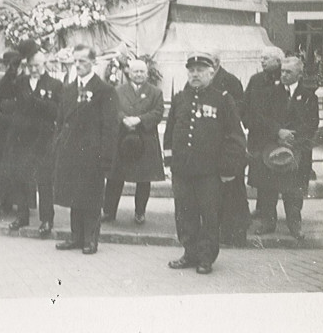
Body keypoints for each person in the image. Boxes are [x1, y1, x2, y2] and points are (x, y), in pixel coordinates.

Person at [164, 52, 246, 275]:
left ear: (211, 73)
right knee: (184, 213)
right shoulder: (180, 98)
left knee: (209, 215)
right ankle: (189, 253)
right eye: (191, 70)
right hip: (182, 170)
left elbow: (235, 137)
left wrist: (228, 168)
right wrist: (170, 162)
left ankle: (206, 258)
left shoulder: (222, 99)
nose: (195, 74)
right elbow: (170, 132)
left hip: (209, 172)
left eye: (200, 70)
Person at [53, 44, 116, 255]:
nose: (78, 65)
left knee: (91, 197)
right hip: (70, 152)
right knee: (74, 195)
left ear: (93, 63)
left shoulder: (104, 90)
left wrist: (106, 159)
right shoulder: (69, 89)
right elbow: (60, 121)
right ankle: (75, 237)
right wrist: (59, 144)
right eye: (76, 61)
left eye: (83, 61)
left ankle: (91, 239)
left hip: (92, 153)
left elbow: (109, 127)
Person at [248, 57, 318, 240]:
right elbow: (260, 118)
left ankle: (295, 224)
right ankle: (268, 222)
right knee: (268, 187)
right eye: (283, 71)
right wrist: (278, 132)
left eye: (289, 72)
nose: (284, 75)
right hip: (271, 146)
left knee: (294, 190)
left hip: (296, 149)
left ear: (299, 75)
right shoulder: (270, 93)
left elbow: (311, 124)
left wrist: (292, 138)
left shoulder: (309, 96)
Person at [4, 49, 63, 236]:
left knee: (44, 181)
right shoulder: (20, 82)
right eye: (30, 66)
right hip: (22, 137)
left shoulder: (54, 84)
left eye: (37, 65)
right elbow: (4, 94)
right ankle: (22, 215)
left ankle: (46, 220)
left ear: (44, 64)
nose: (33, 69)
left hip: (43, 138)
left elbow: (56, 111)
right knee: (20, 177)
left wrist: (35, 101)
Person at [104, 59, 165, 225]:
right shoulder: (118, 91)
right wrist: (124, 119)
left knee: (143, 179)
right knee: (114, 177)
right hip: (122, 137)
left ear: (146, 73)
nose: (139, 74)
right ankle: (109, 211)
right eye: (135, 71)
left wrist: (139, 119)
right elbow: (112, 109)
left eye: (142, 72)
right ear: (129, 73)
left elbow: (158, 112)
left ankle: (140, 212)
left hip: (145, 138)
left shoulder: (155, 93)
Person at [209, 51, 250, 247]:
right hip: (212, 145)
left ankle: (237, 232)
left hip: (229, 143)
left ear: (216, 63)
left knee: (234, 189)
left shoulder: (230, 81)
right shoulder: (200, 83)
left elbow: (239, 108)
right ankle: (222, 230)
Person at [243, 46, 285, 217]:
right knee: (259, 174)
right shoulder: (256, 79)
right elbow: (245, 104)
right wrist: (247, 122)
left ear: (277, 61)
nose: (262, 61)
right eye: (261, 58)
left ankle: (269, 213)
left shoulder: (282, 79)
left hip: (272, 136)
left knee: (270, 175)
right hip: (256, 134)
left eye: (266, 58)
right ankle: (261, 208)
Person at [0, 50, 23, 215]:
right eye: (10, 65)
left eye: (15, 65)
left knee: (16, 164)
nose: (12, 68)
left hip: (19, 126)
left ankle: (19, 201)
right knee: (2, 163)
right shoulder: (5, 81)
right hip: (6, 126)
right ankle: (5, 200)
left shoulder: (23, 80)